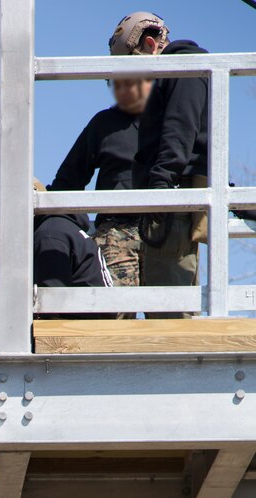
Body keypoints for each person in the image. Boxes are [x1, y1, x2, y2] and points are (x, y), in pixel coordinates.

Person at [0, 181, 113, 498]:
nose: (0, 226)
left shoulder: (49, 235)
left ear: (20, 208)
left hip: (73, 336)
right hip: (81, 329)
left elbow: (52, 309)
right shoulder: (62, 227)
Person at [109, 12, 209, 299]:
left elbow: (181, 131)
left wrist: (160, 190)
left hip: (170, 206)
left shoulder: (183, 68)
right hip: (169, 204)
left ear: (151, 45)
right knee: (164, 306)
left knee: (169, 312)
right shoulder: (176, 74)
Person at [49, 77, 152, 292]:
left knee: (172, 317)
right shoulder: (103, 123)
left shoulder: (170, 121)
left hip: (163, 230)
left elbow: (197, 163)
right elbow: (67, 181)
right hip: (115, 232)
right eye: (114, 83)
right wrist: (46, 217)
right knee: (115, 314)